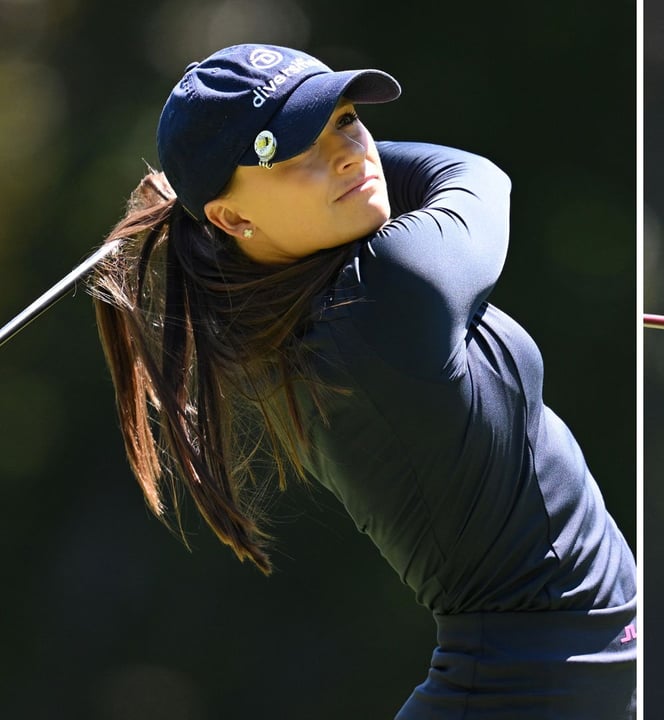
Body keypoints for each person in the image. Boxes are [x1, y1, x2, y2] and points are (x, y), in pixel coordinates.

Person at [90, 44, 636, 718]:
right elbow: (474, 175)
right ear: (232, 221)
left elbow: (359, 173)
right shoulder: (388, 295)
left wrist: (210, 195)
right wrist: (206, 199)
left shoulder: (282, 307)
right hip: (525, 692)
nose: (348, 153)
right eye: (294, 151)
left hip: (545, 680)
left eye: (344, 119)